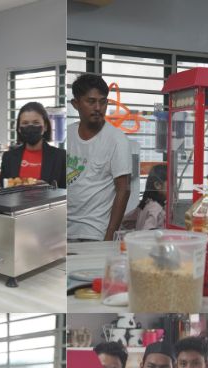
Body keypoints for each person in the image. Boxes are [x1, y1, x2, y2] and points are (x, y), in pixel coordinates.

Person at [66, 73, 133, 242]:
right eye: (91, 101)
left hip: (95, 234)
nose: (98, 107)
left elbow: (123, 190)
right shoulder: (68, 135)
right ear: (76, 104)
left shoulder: (117, 140)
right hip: (65, 231)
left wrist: (109, 236)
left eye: (102, 102)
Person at [0, 102, 66, 189]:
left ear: (45, 126)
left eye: (36, 122)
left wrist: (48, 189)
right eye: (25, 123)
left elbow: (66, 192)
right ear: (19, 128)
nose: (30, 127)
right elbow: (3, 190)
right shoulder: (8, 157)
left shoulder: (61, 157)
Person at [125, 164, 165, 231]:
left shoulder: (145, 204)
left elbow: (126, 221)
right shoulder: (156, 209)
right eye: (172, 183)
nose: (175, 187)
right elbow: (147, 232)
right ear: (158, 185)